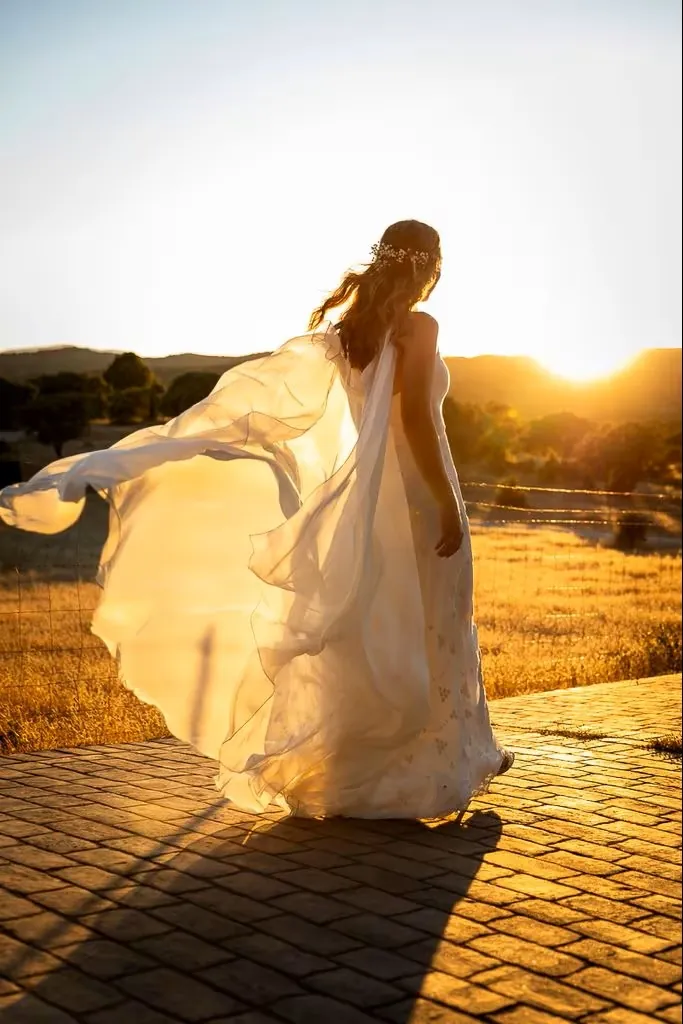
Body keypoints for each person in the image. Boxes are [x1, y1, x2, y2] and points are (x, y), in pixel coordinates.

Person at [0, 219, 513, 818]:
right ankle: (451, 756)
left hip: (374, 506)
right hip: (419, 495)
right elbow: (419, 420)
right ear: (429, 267)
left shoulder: (352, 333)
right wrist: (446, 501)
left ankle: (400, 762)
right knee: (438, 618)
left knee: (383, 624)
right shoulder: (420, 327)